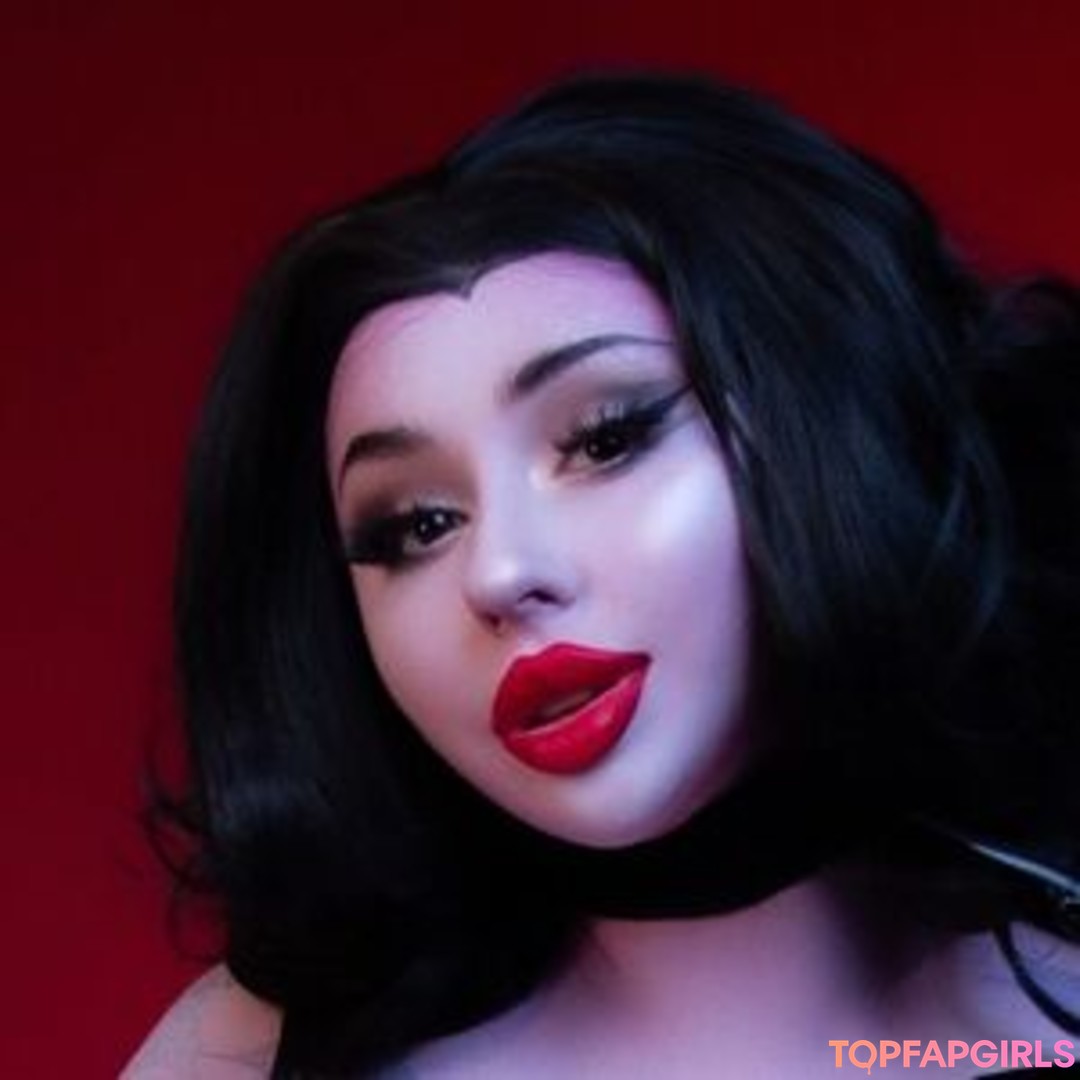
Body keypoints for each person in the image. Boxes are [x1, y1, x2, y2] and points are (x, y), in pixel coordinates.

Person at [124, 71, 1080, 1078]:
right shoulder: (239, 1060)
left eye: (607, 439)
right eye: (416, 526)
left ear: (835, 431)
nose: (501, 572)